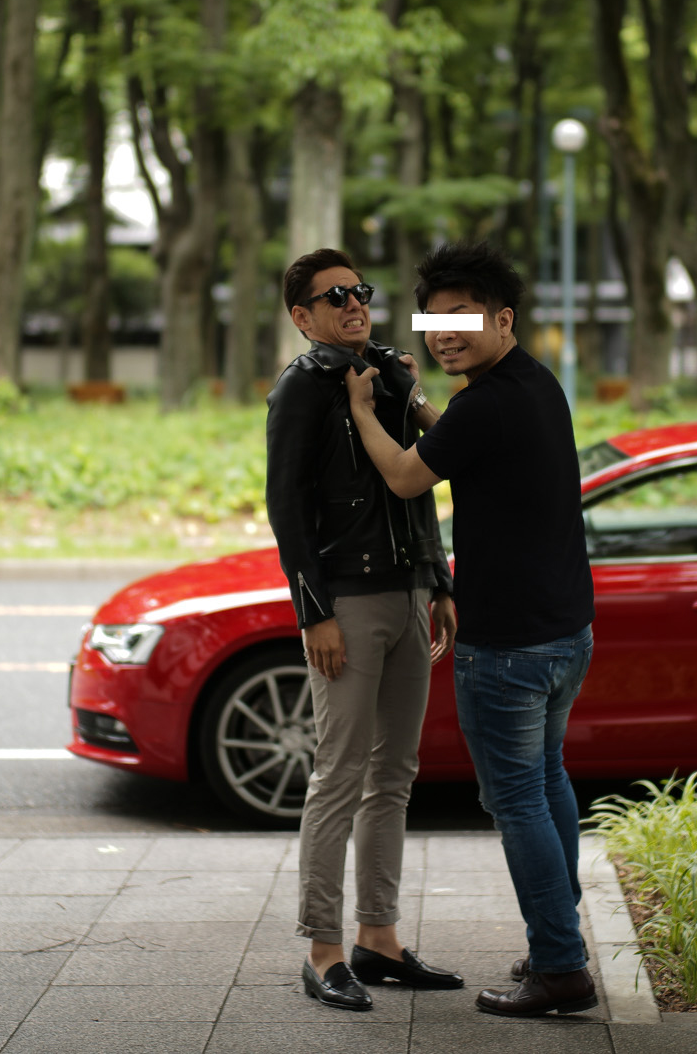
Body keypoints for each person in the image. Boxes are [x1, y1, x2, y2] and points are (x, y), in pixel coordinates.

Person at [344, 240, 598, 1018]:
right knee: (547, 782)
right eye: (433, 319)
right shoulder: (530, 384)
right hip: (566, 633)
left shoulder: (485, 402)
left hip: (510, 643)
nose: (444, 332)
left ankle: (559, 965)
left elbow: (408, 472)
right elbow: (454, 437)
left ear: (503, 317)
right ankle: (560, 943)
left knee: (516, 798)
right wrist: (418, 402)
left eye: (462, 318)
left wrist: (361, 409)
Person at [264, 247, 465, 1012]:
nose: (353, 302)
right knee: (340, 776)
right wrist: (312, 608)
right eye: (333, 295)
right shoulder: (302, 388)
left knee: (395, 774)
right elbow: (287, 507)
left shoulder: (388, 373)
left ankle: (378, 938)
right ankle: (323, 948)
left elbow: (417, 485)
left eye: (359, 290)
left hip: (410, 593)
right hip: (346, 602)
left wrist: (439, 578)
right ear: (302, 316)